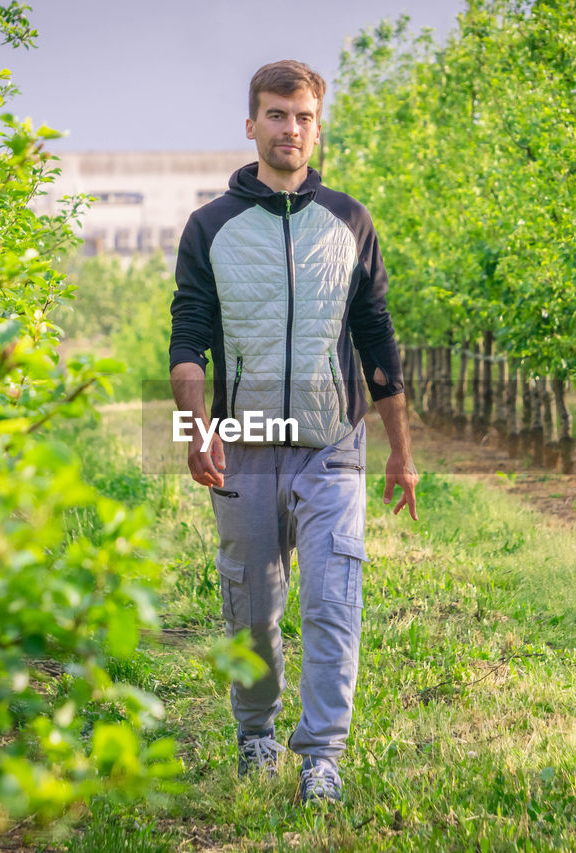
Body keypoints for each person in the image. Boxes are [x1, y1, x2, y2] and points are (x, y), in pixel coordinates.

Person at [168, 59, 418, 805]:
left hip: (333, 442)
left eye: (303, 115)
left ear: (318, 125)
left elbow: (377, 335)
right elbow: (189, 339)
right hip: (246, 440)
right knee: (251, 604)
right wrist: (195, 427)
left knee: (334, 598)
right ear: (252, 125)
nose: (290, 128)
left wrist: (402, 449)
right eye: (277, 115)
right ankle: (255, 734)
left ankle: (321, 755)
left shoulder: (349, 221)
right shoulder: (209, 226)